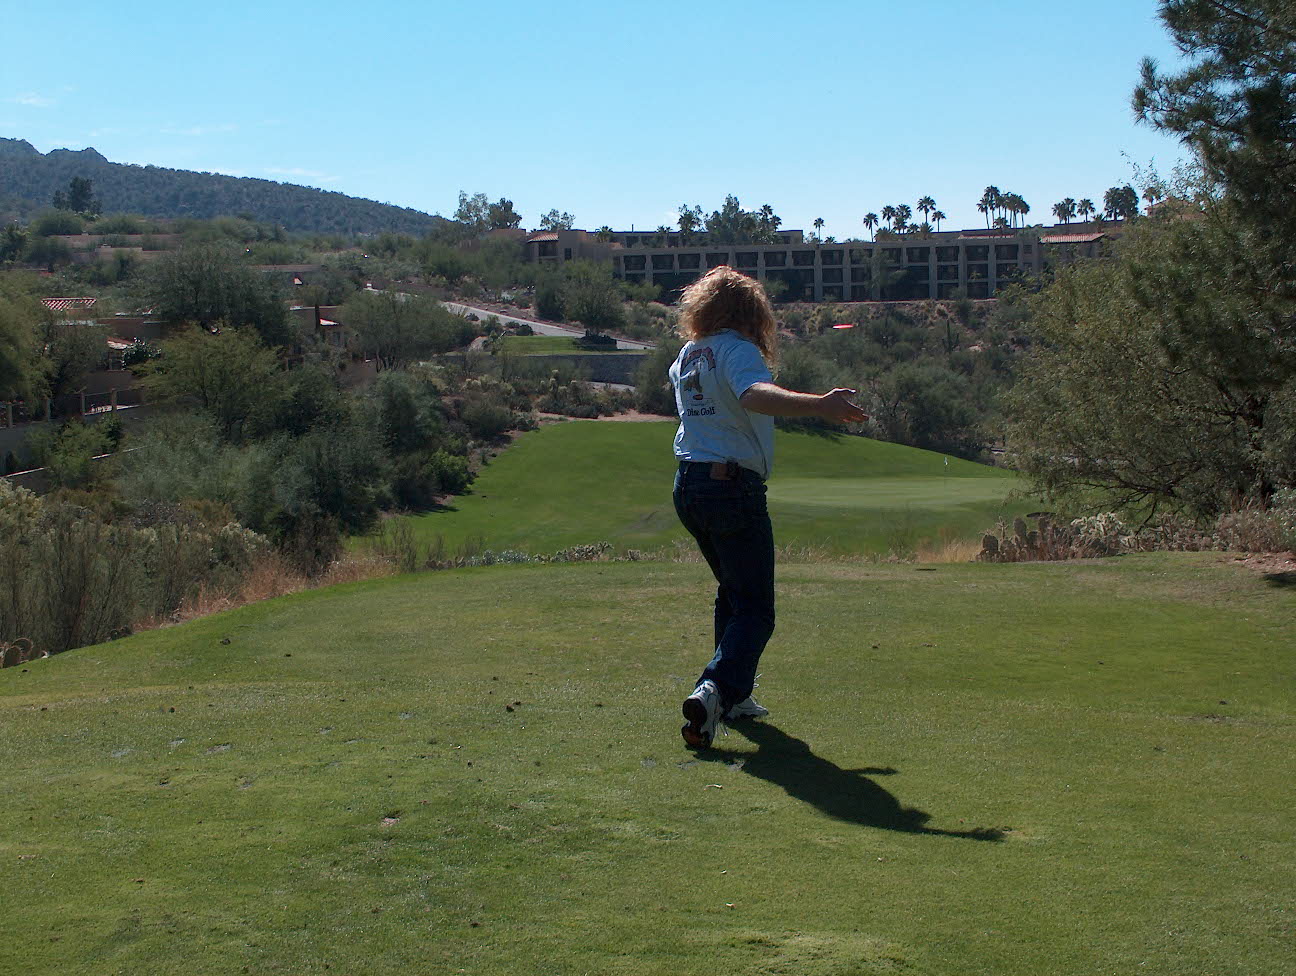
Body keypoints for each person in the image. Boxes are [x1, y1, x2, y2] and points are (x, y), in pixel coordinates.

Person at [670, 266, 868, 749]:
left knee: (734, 593)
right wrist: (819, 405)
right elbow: (754, 394)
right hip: (731, 487)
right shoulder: (738, 350)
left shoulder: (688, 353)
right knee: (757, 610)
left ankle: (733, 697)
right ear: (751, 312)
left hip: (690, 484)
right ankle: (715, 688)